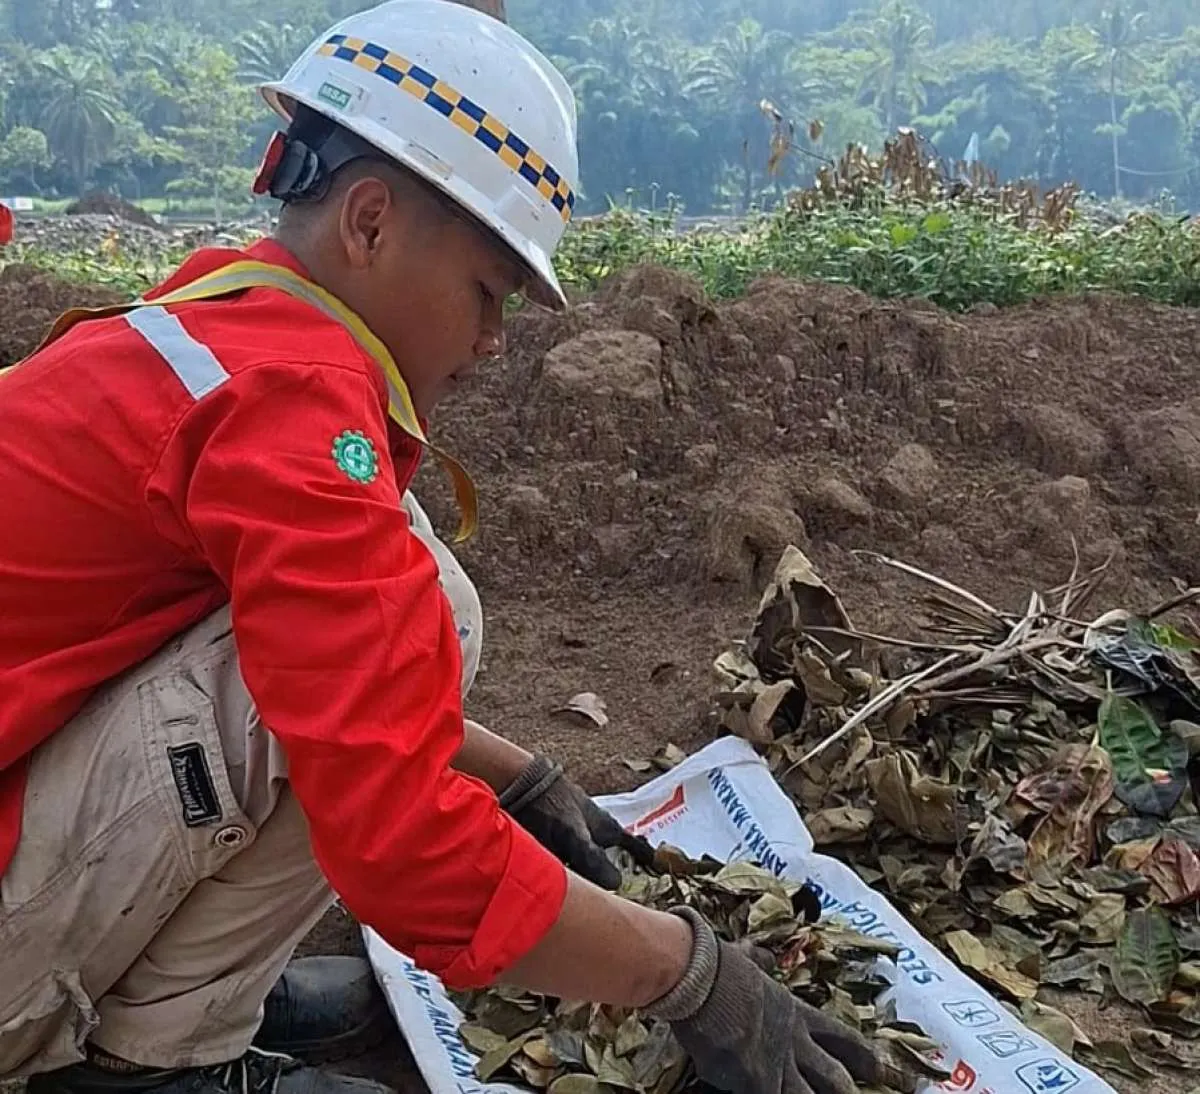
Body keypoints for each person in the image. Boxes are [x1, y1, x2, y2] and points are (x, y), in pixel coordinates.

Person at [0, 4, 884, 1094]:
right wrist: (690, 975)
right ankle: (147, 1060)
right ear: (369, 221)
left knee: (411, 591)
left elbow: (319, 659)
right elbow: (396, 829)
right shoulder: (292, 405)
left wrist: (517, 774)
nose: (492, 338)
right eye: (487, 291)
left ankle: (174, 979)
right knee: (395, 635)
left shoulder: (221, 327)